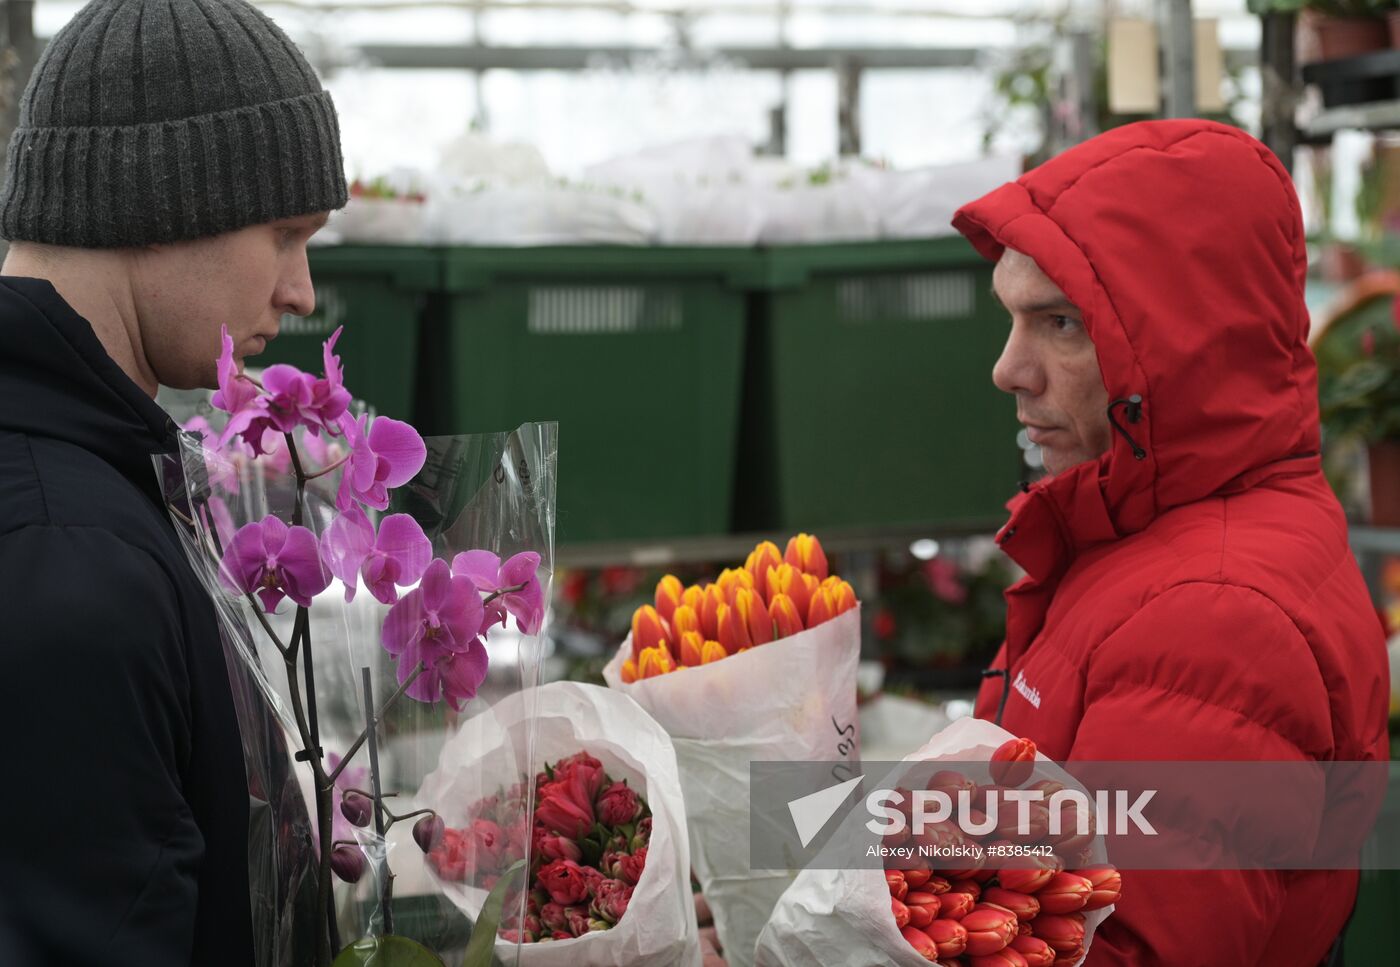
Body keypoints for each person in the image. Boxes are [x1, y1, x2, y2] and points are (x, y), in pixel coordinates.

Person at [954, 118, 1389, 963]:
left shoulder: (1214, 617)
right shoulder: (1148, 538)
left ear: (1180, 349)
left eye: (1061, 324)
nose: (1008, 369)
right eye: (1013, 319)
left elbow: (1116, 948)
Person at [0, 0, 346, 963]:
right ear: (161, 199)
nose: (302, 289)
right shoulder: (65, 552)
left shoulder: (89, 482)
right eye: (285, 231)